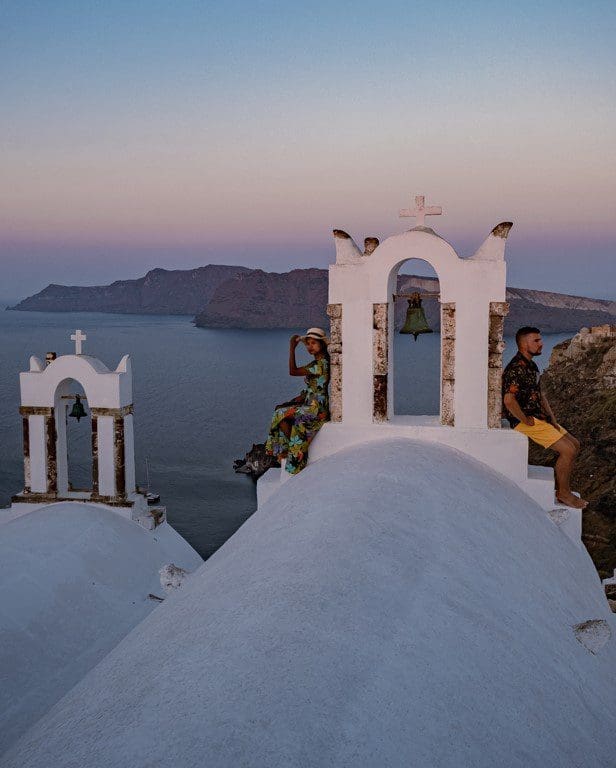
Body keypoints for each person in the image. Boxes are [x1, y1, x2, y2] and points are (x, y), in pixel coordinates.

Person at [502, 326, 587, 509]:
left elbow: (540, 395)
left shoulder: (531, 365)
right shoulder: (516, 368)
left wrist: (552, 419)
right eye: (536, 341)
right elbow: (509, 400)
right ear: (524, 344)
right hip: (526, 420)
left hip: (540, 417)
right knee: (568, 450)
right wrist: (525, 420)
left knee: (576, 445)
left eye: (540, 340)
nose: (541, 344)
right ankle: (563, 493)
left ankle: (563, 488)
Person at [265, 327, 330, 475]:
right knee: (280, 412)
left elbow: (292, 371)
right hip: (310, 404)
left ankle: (290, 453)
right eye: (307, 344)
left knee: (279, 415)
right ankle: (290, 451)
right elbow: (311, 389)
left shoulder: (320, 364)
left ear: (322, 344)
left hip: (316, 409)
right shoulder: (318, 363)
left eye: (313, 343)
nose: (309, 347)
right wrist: (291, 402)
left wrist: (292, 348)